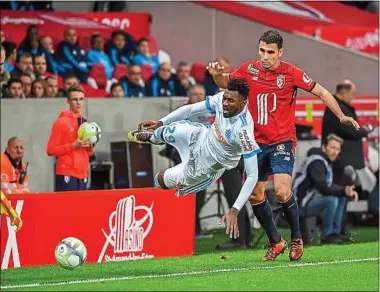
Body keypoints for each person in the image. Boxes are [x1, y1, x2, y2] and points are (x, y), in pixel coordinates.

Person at [207, 29, 359, 261]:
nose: (264, 56)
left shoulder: (291, 73)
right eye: (261, 51)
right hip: (255, 142)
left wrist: (340, 116)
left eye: (270, 52)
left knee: (281, 189)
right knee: (255, 194)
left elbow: (322, 92)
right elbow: (225, 82)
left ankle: (297, 239)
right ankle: (276, 241)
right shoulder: (248, 70)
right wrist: (216, 74)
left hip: (282, 140)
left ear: (280, 52)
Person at [128, 79, 260, 238]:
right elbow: (190, 109)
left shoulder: (244, 132)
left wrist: (235, 209)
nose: (225, 103)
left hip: (202, 168)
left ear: (243, 102)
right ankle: (153, 137)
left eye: (230, 100)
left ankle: (165, 215)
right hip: (199, 136)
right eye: (224, 98)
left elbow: (252, 175)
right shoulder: (221, 99)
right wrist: (161, 121)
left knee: (161, 179)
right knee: (169, 130)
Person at [293, 134, 358, 244]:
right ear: (324, 147)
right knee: (331, 199)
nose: (335, 151)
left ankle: (335, 233)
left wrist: (346, 191)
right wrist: (343, 190)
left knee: (341, 197)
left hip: (310, 199)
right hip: (298, 203)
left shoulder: (325, 161)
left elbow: (329, 186)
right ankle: (327, 235)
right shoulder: (316, 161)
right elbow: (323, 188)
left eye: (337, 149)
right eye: (332, 147)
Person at [46, 85, 95, 191]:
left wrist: (90, 148)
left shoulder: (85, 122)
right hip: (66, 173)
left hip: (83, 174)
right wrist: (73, 146)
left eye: (81, 99)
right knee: (66, 207)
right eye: (75, 99)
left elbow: (89, 153)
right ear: (68, 101)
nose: (78, 102)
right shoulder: (61, 122)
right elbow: (50, 150)